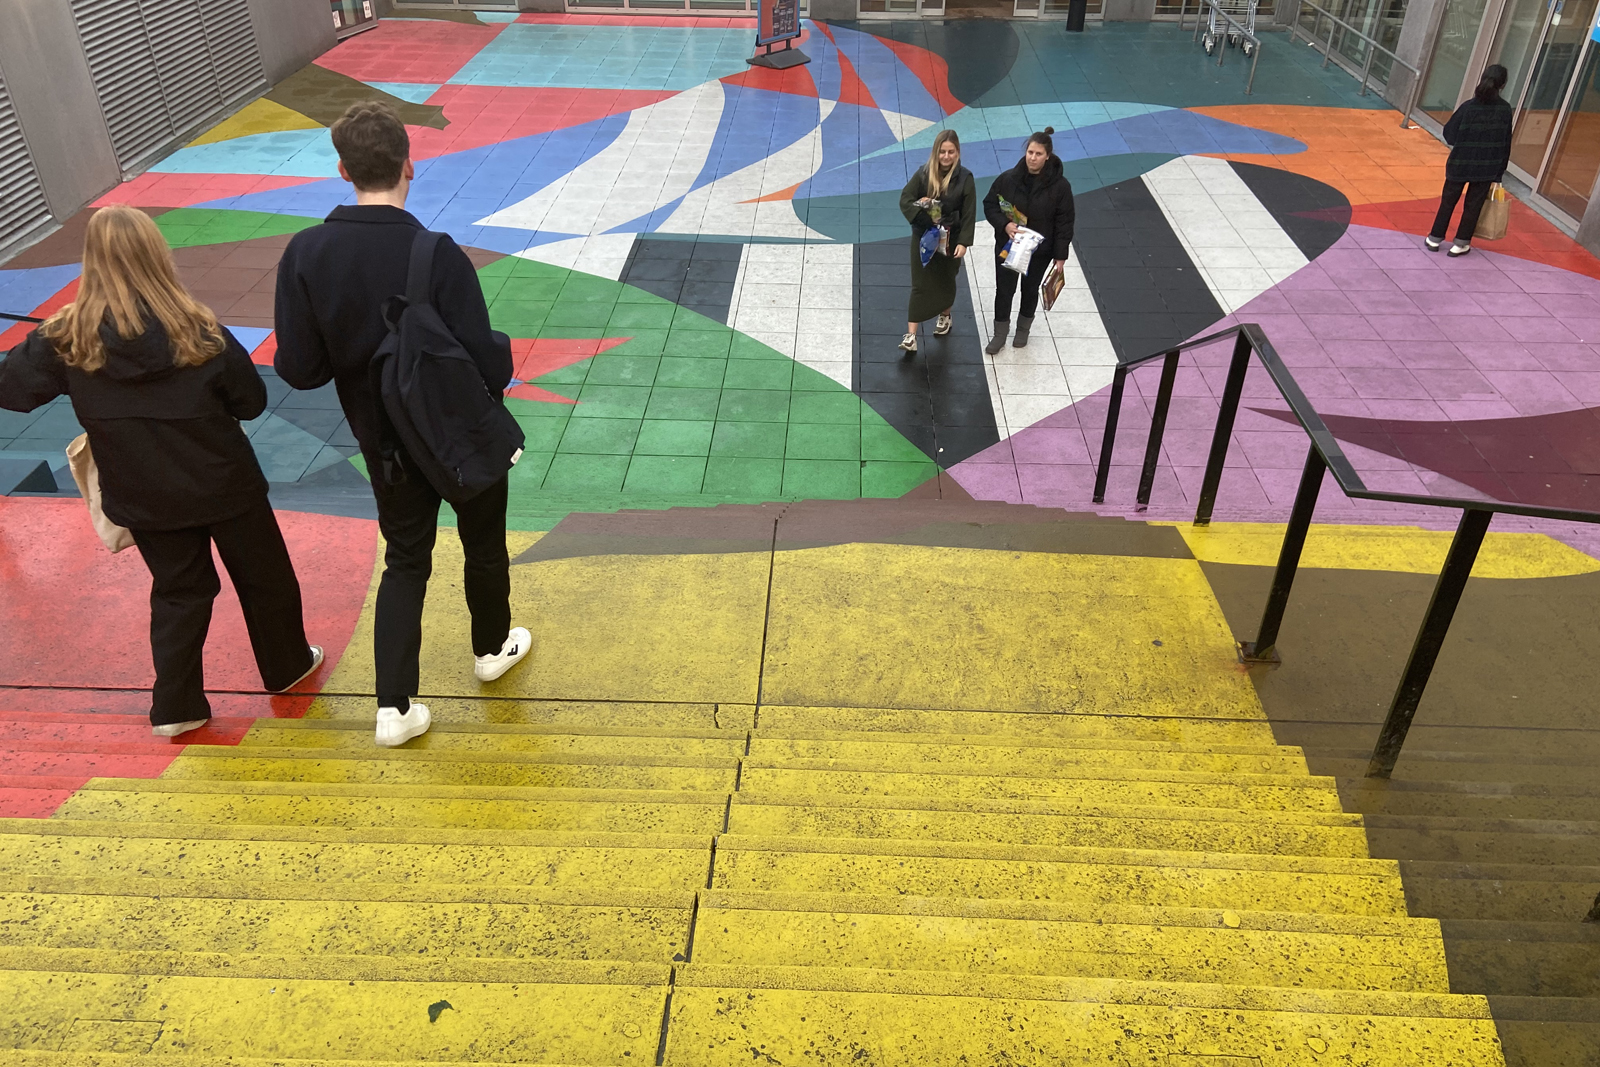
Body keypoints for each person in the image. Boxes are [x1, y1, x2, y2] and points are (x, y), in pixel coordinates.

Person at [0, 206, 320, 737]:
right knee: (265, 579)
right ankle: (286, 667)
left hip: (143, 493)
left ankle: (176, 706)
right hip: (225, 484)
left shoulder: (66, 338)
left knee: (179, 591)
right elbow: (250, 402)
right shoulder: (198, 329)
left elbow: (12, 391)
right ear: (156, 255)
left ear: (92, 262)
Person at [274, 102, 530, 749]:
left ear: (342, 169)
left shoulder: (305, 255)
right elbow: (482, 356)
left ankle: (395, 706)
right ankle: (492, 647)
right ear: (409, 163)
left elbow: (299, 370)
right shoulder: (436, 255)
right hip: (459, 440)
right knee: (484, 543)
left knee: (406, 558)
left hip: (384, 445)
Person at [983, 128, 1075, 354]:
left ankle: (1023, 330)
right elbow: (990, 204)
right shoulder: (1007, 179)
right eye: (1030, 152)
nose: (1033, 158)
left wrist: (1060, 256)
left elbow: (1065, 221)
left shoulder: (1061, 187)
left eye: (1038, 154)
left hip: (1039, 251)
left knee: (1030, 289)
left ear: (1048, 156)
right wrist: (1004, 225)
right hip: (1009, 246)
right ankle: (1000, 333)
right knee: (1004, 289)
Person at [897, 130, 977, 354]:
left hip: (950, 238)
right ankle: (911, 334)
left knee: (946, 280)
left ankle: (945, 316)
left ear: (958, 153)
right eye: (942, 151)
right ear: (936, 152)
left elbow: (970, 213)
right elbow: (906, 199)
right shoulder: (923, 174)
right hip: (924, 236)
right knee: (920, 283)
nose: (946, 156)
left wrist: (964, 242)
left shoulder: (966, 179)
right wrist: (925, 216)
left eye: (951, 152)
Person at [1427, 64, 1513, 257]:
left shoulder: (1469, 107)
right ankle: (1461, 243)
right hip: (1487, 168)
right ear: (1503, 85)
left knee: (1448, 201)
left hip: (1460, 163)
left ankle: (1435, 238)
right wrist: (1499, 173)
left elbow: (1449, 135)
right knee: (1473, 206)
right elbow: (1506, 143)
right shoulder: (1505, 110)